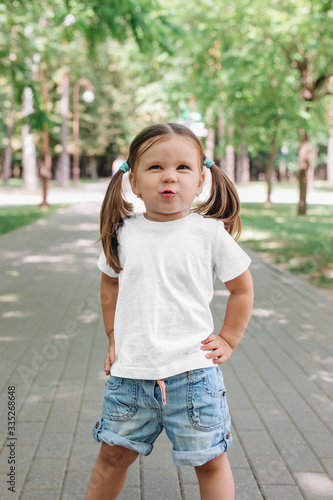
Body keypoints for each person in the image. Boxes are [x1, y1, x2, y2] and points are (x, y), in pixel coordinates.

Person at [85, 123, 254, 500]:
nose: (169, 177)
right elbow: (109, 284)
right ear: (133, 180)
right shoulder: (122, 232)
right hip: (130, 377)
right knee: (112, 456)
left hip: (194, 378)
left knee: (210, 461)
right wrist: (113, 336)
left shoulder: (209, 234)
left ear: (201, 179)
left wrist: (228, 337)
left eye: (182, 167)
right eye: (155, 167)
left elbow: (241, 289)